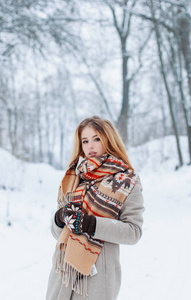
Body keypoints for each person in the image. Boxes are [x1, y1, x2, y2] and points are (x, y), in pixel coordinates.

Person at [46, 116, 144, 300]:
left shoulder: (127, 181)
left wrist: (92, 224)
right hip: (63, 275)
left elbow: (133, 232)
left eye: (96, 139)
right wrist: (59, 218)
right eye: (85, 141)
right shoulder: (73, 177)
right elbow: (57, 233)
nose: (90, 146)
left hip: (97, 279)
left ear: (109, 139)